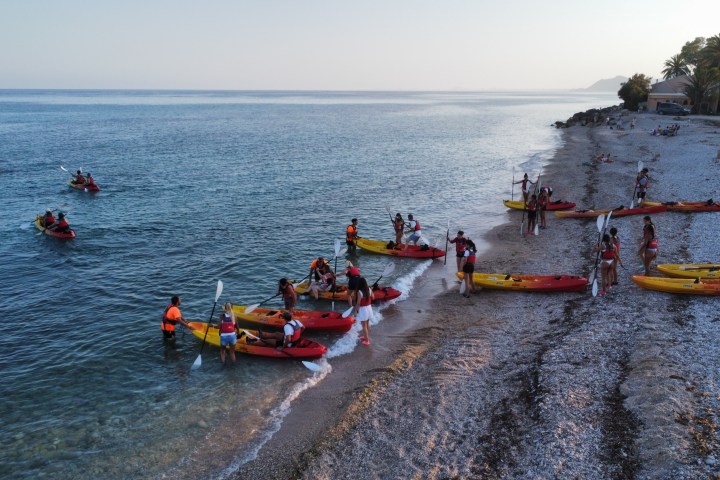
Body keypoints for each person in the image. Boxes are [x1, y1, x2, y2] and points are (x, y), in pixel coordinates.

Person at [352, 277, 374, 345]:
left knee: (364, 325)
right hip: (369, 308)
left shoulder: (359, 292)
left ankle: (367, 341)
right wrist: (371, 290)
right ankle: (366, 336)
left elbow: (358, 303)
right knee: (367, 323)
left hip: (363, 309)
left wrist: (355, 311)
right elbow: (373, 297)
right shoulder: (369, 289)